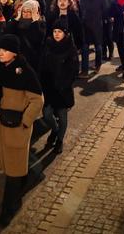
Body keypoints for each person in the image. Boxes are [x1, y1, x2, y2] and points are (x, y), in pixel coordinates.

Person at [0, 34, 44, 227]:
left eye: (5, 50)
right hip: (0, 125)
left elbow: (37, 100)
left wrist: (25, 122)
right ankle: (18, 191)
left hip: (16, 127)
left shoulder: (25, 72)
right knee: (12, 168)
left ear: (15, 52)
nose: (1, 53)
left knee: (13, 172)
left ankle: (7, 209)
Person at [39, 19, 78, 154]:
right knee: (47, 114)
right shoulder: (48, 45)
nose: (56, 34)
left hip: (63, 89)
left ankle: (60, 140)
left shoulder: (70, 48)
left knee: (62, 117)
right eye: (55, 31)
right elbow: (42, 65)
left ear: (65, 33)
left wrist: (64, 84)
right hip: (49, 88)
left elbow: (73, 70)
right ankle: (55, 130)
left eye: (59, 32)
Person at [4, 0, 46, 73]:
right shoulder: (16, 23)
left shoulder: (40, 24)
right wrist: (16, 19)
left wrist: (35, 22)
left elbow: (37, 39)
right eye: (24, 11)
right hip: (18, 56)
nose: (26, 14)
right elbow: (8, 34)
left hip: (32, 58)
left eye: (29, 11)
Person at [79, 0, 108, 76]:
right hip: (85, 26)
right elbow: (80, 11)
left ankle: (98, 65)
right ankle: (84, 70)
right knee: (85, 49)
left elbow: (105, 13)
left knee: (98, 47)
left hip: (97, 26)